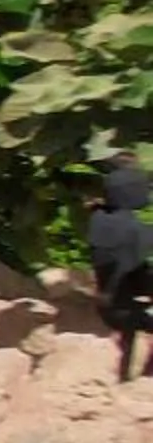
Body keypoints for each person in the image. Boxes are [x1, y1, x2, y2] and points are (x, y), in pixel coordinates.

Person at [93, 156, 152, 384]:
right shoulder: (128, 228)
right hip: (122, 308)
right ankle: (145, 379)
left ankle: (133, 378)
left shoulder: (102, 220)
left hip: (113, 302)